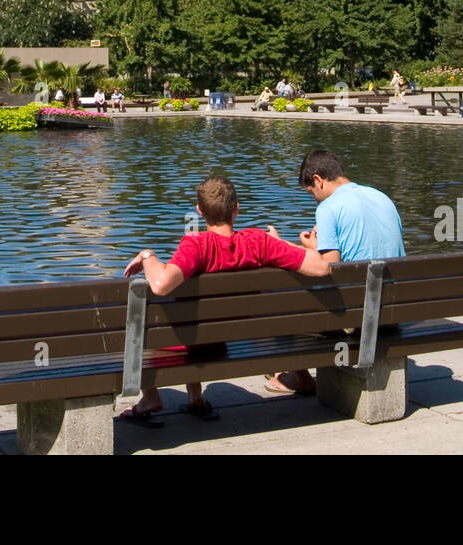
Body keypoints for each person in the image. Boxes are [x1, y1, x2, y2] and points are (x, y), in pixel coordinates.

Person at [120, 176, 330, 424]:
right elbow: (322, 268)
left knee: (151, 327)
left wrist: (148, 256)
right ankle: (195, 398)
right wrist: (290, 244)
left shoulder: (196, 245)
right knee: (196, 320)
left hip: (187, 340)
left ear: (199, 211)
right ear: (236, 209)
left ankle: (150, 397)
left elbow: (160, 284)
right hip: (222, 338)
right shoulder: (259, 241)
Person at [267, 149, 405, 395]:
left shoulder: (329, 207)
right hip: (393, 312)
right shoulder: (381, 197)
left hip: (358, 321)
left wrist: (281, 246)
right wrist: (314, 248)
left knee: (282, 296)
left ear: (318, 180)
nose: (315, 200)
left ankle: (298, 376)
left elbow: (327, 268)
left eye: (312, 193)